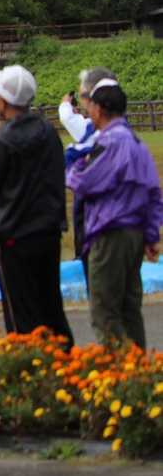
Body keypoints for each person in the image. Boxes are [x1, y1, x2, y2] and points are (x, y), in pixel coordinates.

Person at [0, 65, 74, 342]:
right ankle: (63, 357)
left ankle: (30, 361)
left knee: (22, 315)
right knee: (50, 308)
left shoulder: (5, 139)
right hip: (48, 231)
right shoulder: (48, 131)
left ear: (3, 102)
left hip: (16, 236)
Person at [66, 79, 163, 348]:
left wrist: (74, 166)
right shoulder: (136, 143)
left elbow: (86, 183)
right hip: (135, 233)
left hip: (110, 232)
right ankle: (138, 366)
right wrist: (151, 234)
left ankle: (119, 366)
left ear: (98, 109)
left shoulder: (109, 143)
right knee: (130, 308)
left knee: (105, 310)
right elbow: (153, 193)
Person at [60, 67, 115, 282]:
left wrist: (65, 104)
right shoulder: (122, 131)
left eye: (85, 96)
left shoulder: (93, 129)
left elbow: (67, 119)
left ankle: (84, 259)